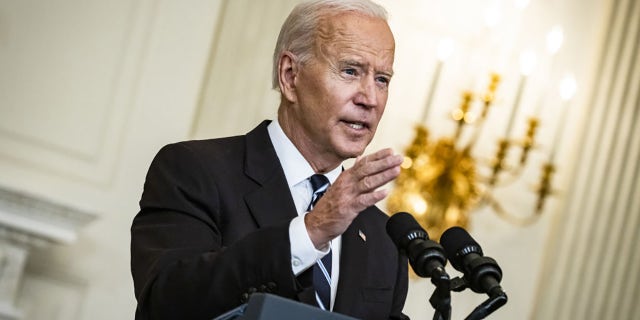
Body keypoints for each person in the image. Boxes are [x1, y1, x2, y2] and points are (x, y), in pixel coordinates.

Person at [130, 0, 409, 319]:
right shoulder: (194, 171)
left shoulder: (383, 236)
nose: (370, 99)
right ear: (290, 76)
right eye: (350, 71)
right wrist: (310, 231)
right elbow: (166, 300)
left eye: (382, 79)